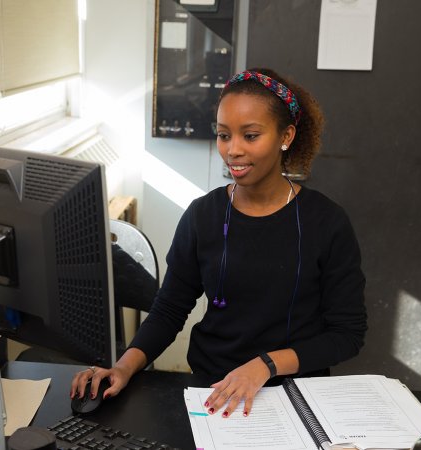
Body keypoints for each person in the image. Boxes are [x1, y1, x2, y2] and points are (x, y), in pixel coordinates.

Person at [71, 68, 367, 418]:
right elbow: (169, 310)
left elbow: (347, 333)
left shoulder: (327, 222)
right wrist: (122, 367)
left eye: (251, 135)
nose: (233, 150)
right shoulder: (203, 216)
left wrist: (265, 365)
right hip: (213, 389)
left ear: (286, 136)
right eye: (223, 135)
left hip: (294, 393)